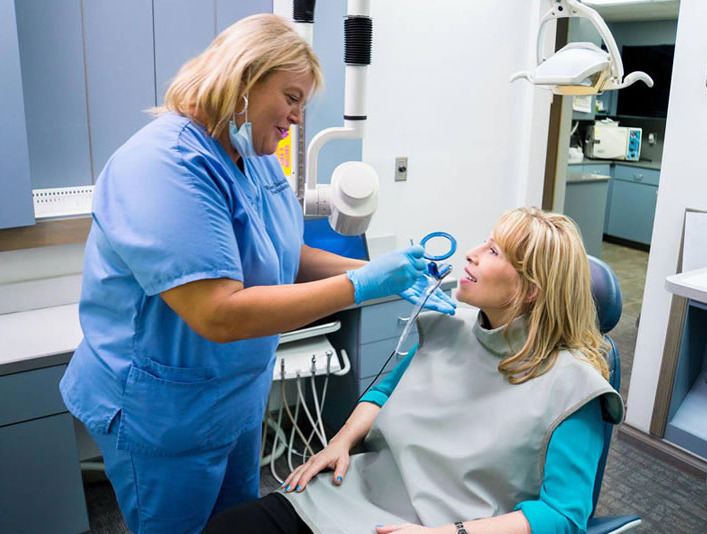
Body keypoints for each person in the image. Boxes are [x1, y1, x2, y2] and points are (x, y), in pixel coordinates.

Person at [59, 14, 455, 534]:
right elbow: (218, 314)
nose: (295, 117)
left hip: (235, 404)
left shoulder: (257, 154)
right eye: (291, 97)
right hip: (165, 415)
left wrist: (380, 269)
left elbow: (282, 255)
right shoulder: (163, 166)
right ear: (243, 79)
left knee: (237, 527)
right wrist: (361, 286)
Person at [202, 207, 625, 534]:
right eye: (485, 242)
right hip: (362, 491)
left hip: (449, 523)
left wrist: (451, 532)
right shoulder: (448, 328)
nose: (472, 255)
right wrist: (340, 442)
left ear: (530, 290)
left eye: (493, 252)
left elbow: (564, 516)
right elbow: (382, 393)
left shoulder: (576, 388)